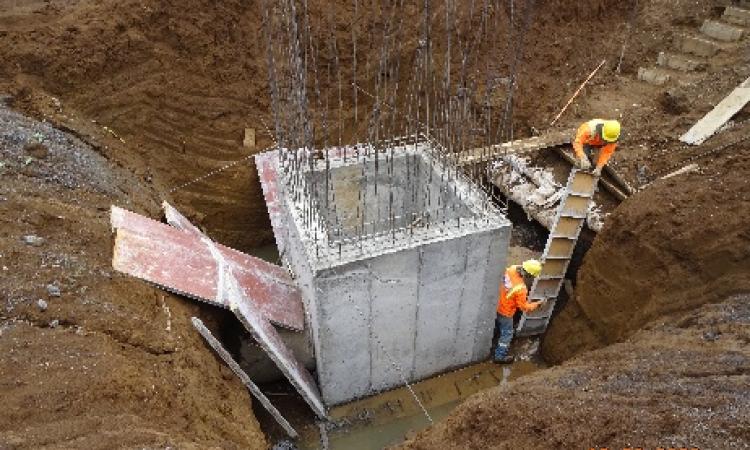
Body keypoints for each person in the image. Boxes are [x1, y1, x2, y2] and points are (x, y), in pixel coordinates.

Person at [493, 259, 544, 364]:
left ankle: (494, 339)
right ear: (530, 275)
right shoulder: (521, 289)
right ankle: (500, 356)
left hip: (495, 304)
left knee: (496, 325)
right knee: (507, 333)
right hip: (505, 312)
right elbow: (523, 307)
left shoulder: (511, 268)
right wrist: (538, 304)